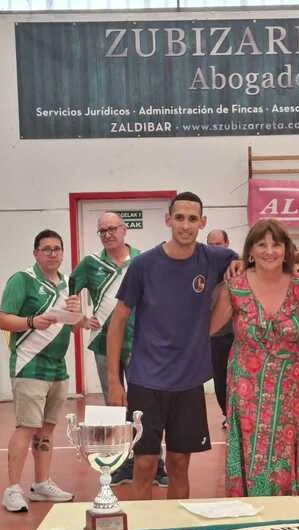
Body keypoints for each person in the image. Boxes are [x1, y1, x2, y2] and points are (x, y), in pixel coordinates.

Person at [107, 192, 238, 500]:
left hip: (188, 382)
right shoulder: (144, 264)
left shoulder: (214, 258)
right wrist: (114, 380)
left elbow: (266, 256)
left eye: (192, 219)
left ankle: (174, 527)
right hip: (145, 380)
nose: (185, 225)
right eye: (179, 218)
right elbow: (118, 320)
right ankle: (143, 526)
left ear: (202, 223)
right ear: (168, 220)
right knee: (145, 464)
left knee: (179, 464)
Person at [210, 219, 299, 497]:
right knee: (252, 448)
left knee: (286, 451)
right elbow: (206, 329)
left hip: (290, 387)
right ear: (250, 251)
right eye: (261, 245)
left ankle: (290, 512)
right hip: (246, 389)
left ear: (286, 250)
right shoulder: (235, 286)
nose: (269, 251)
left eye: (276, 244)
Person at [70, 212, 167, 487]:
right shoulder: (89, 264)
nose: (108, 234)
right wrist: (79, 318)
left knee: (146, 405)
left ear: (124, 230)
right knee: (115, 406)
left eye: (113, 228)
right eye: (102, 230)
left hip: (140, 342)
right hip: (104, 344)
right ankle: (123, 462)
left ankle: (155, 462)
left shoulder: (143, 260)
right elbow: (68, 292)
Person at [0, 230, 80, 512]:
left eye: (57, 249)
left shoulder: (69, 284)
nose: (52, 254)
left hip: (57, 367)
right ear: (35, 253)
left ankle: (41, 483)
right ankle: (12, 489)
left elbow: (73, 325)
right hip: (29, 365)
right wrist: (32, 321)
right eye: (46, 249)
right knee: (27, 427)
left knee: (47, 428)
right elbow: (3, 318)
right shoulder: (23, 280)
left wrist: (79, 316)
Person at [206, 228, 235, 429]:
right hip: (215, 336)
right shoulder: (202, 269)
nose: (215, 248)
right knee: (220, 379)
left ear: (226, 244)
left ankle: (241, 416)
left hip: (239, 335)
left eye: (218, 244)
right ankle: (227, 414)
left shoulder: (238, 266)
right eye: (211, 245)